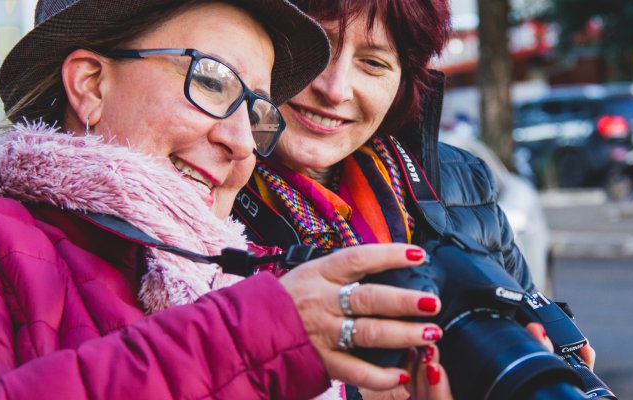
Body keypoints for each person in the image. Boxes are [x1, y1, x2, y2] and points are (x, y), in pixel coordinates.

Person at [0, 0, 449, 398]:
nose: (242, 142)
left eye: (257, 112)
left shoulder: (254, 273)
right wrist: (255, 338)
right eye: (211, 81)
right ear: (90, 84)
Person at [231, 0, 597, 397]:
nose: (335, 89)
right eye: (316, 48)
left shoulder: (462, 180)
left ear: (403, 81)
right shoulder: (199, 183)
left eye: (373, 63)